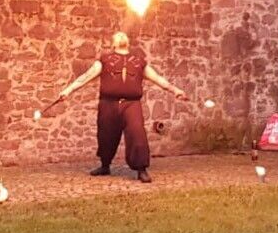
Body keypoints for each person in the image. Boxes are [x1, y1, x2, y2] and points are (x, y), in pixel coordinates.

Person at [58, 31, 187, 182]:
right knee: (106, 135)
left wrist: (175, 90)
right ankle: (105, 165)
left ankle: (141, 169)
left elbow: (158, 78)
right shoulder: (104, 60)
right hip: (108, 103)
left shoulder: (138, 61)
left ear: (127, 42)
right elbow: (85, 77)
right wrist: (68, 90)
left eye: (123, 35)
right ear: (113, 44)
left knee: (137, 133)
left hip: (131, 104)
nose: (121, 36)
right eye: (117, 36)